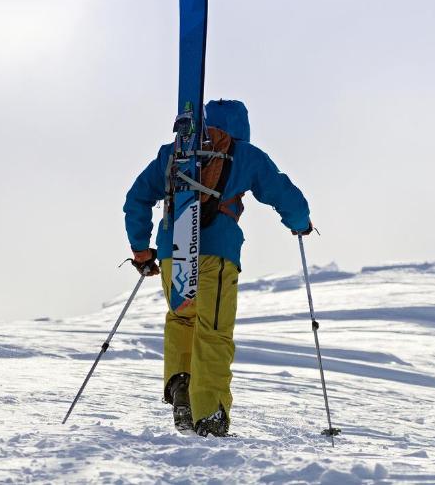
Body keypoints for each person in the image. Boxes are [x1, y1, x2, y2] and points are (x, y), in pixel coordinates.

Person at [123, 99, 312, 436]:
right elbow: (282, 191)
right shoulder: (245, 154)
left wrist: (141, 251)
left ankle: (183, 388)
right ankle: (209, 414)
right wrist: (300, 223)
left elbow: (136, 198)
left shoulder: (173, 152)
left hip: (171, 252)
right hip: (217, 253)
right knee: (213, 329)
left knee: (183, 317)